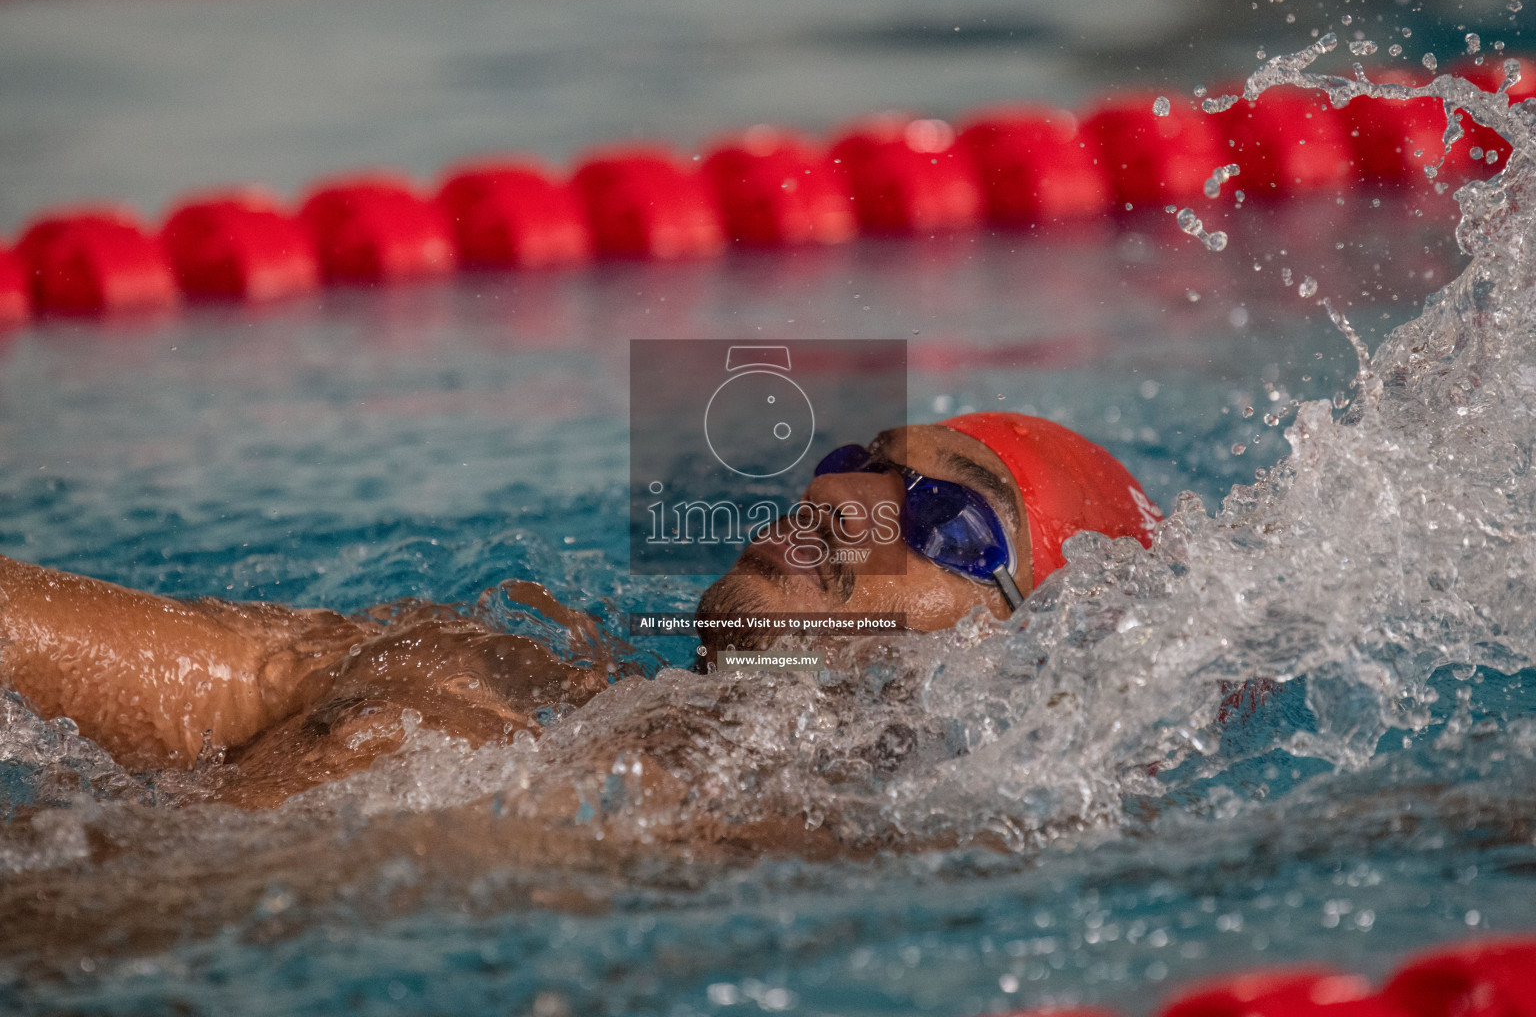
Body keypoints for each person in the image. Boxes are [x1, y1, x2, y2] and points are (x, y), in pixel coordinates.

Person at [0, 413, 1160, 811]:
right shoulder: (455, 659)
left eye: (942, 511)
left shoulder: (825, 860)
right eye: (858, 461)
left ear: (1026, 658)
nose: (843, 502)